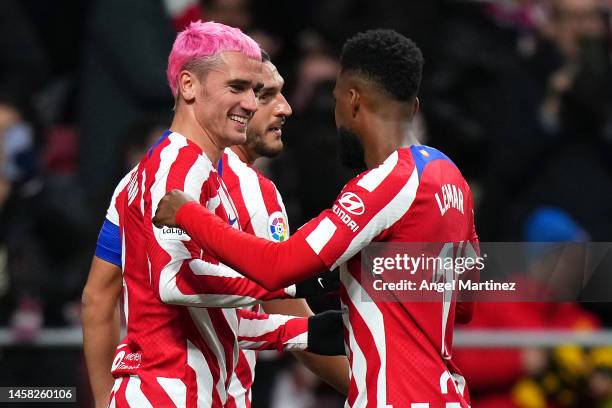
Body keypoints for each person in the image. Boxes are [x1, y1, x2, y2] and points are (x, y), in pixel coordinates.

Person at [154, 29, 479, 407]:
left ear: (353, 101)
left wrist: (187, 215)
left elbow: (280, 266)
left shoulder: (383, 184)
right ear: (415, 107)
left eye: (337, 98)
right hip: (449, 395)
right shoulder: (452, 178)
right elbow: (465, 303)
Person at [82, 21, 346, 408]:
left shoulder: (166, 175)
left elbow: (220, 319)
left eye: (254, 92)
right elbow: (176, 282)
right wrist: (297, 283)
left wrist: (304, 332)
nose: (252, 104)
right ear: (188, 85)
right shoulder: (180, 168)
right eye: (239, 88)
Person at [218, 51, 347, 405]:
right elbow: (291, 320)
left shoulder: (147, 176)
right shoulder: (249, 189)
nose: (286, 108)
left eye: (282, 93)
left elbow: (98, 299)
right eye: (266, 95)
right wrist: (383, 393)